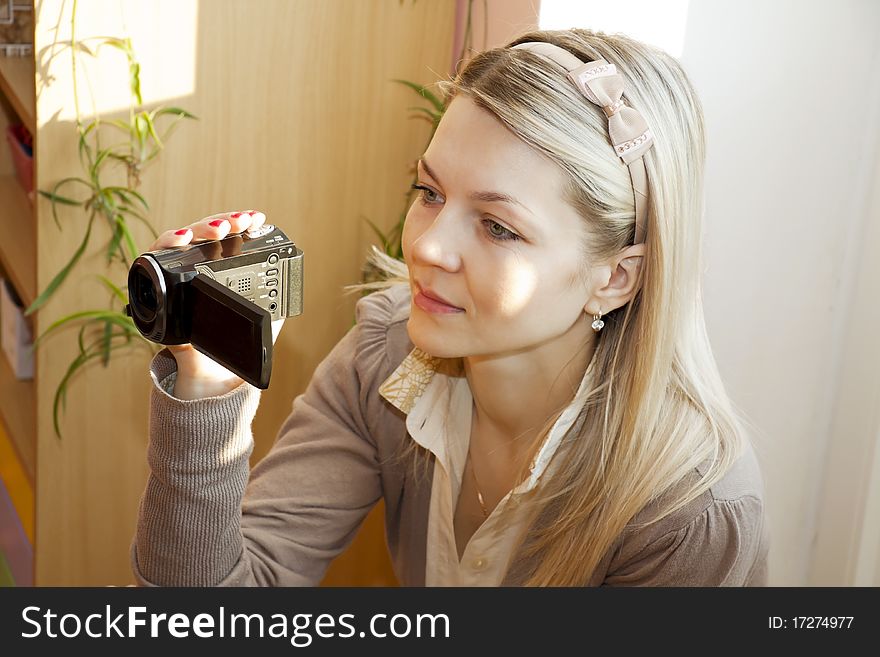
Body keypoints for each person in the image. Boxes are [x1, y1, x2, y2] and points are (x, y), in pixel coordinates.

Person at [132, 28, 770, 587]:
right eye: (429, 192)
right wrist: (209, 386)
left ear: (616, 278)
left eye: (497, 226)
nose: (428, 246)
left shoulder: (690, 515)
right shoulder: (383, 355)